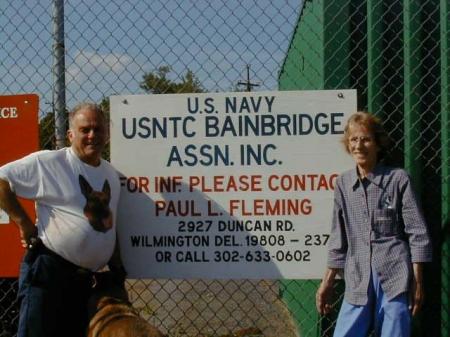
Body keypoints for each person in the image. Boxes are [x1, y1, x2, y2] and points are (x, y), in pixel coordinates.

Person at [0, 102, 125, 337]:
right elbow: (1, 180)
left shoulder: (110, 174)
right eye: (85, 129)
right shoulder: (50, 162)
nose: (92, 135)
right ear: (70, 135)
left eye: (98, 129)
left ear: (107, 133)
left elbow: (111, 223)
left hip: (86, 284)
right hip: (49, 274)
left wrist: (116, 263)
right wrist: (24, 223)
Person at [315, 112, 432, 337]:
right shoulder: (343, 184)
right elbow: (338, 238)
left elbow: (417, 231)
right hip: (358, 278)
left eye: (366, 139)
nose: (359, 145)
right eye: (353, 140)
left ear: (378, 144)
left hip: (394, 278)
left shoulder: (397, 179)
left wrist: (418, 280)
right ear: (348, 145)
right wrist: (327, 282)